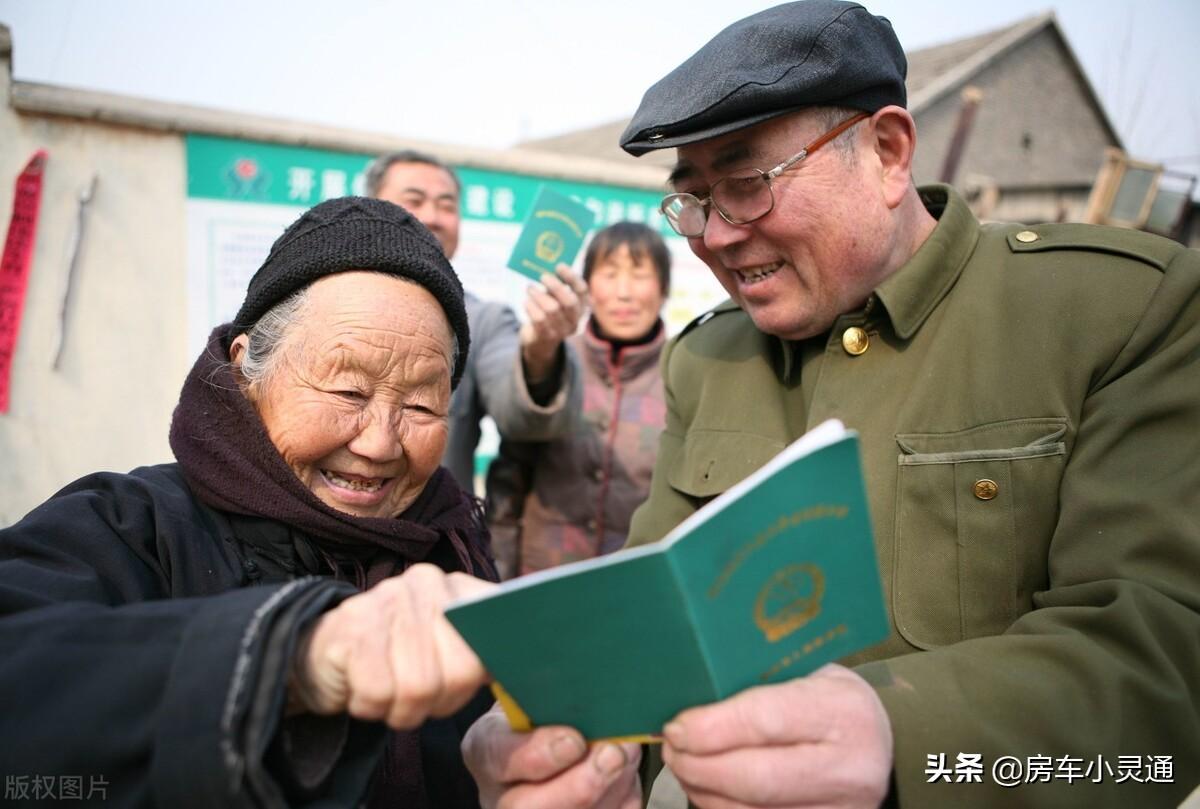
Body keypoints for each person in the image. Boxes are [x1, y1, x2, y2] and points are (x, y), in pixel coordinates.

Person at [462, 2, 1200, 807]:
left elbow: (1162, 651)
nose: (714, 235)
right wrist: (586, 754)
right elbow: (658, 633)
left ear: (887, 152)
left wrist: (901, 737)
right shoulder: (708, 355)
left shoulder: (1119, 312)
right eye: (693, 201)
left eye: (746, 185)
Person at [0, 197, 503, 808]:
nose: (378, 444)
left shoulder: (455, 549)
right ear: (247, 369)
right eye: (348, 389)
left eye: (421, 405)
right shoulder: (126, 524)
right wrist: (288, 656)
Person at [365, 150, 586, 493]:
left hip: (432, 539)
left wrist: (541, 350)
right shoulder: (317, 300)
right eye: (415, 200)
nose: (433, 217)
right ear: (370, 208)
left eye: (447, 205)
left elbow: (521, 417)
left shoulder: (483, 322)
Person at [486, 222, 671, 577]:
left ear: (662, 289)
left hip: (637, 583)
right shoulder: (550, 359)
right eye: (609, 274)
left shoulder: (684, 372)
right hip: (544, 577)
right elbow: (510, 478)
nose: (624, 293)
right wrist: (498, 573)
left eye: (639, 274)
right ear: (587, 289)